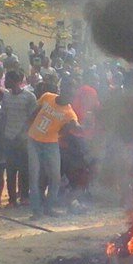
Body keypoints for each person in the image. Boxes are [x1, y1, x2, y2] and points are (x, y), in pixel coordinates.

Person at [27, 81, 83, 219]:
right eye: (69, 92)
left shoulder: (69, 112)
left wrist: (80, 128)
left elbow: (74, 124)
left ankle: (49, 207)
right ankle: (36, 210)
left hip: (51, 144)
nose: (70, 96)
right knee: (34, 176)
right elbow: (34, 112)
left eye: (72, 95)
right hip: (33, 140)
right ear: (62, 90)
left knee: (55, 178)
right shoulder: (47, 97)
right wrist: (27, 130)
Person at [0, 70, 38, 206]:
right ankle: (11, 200)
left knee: (24, 170)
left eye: (8, 80)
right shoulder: (6, 97)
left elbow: (33, 118)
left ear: (16, 81)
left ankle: (24, 197)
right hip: (9, 138)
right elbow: (3, 116)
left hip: (24, 140)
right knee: (10, 171)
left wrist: (23, 133)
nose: (6, 82)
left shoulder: (29, 97)